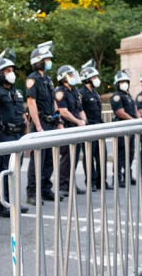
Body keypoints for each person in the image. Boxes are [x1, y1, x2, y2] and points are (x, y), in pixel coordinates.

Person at [0, 48, 30, 217]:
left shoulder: (16, 91)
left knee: (14, 171)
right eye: (7, 71)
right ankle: (1, 204)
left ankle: (12, 202)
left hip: (18, 135)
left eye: (12, 70)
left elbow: (23, 115)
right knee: (2, 171)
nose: (11, 73)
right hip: (4, 135)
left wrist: (27, 135)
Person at [26, 41, 64, 205]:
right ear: (38, 60)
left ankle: (45, 189)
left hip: (50, 122)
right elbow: (31, 103)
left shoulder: (48, 79)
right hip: (40, 122)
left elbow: (53, 101)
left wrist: (59, 119)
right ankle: (32, 192)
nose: (49, 62)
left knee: (49, 158)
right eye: (47, 59)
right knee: (38, 160)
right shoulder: (32, 79)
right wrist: (39, 126)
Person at [79, 60, 113, 190]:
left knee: (101, 156)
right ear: (87, 79)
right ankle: (91, 182)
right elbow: (80, 110)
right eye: (94, 77)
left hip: (99, 127)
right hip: (89, 128)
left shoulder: (95, 93)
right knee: (89, 156)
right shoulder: (81, 93)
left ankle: (101, 181)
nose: (97, 80)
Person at [55, 65, 88, 197]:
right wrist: (78, 121)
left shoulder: (74, 91)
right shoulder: (60, 92)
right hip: (67, 127)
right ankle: (63, 186)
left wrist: (84, 122)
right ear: (64, 77)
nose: (74, 77)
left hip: (76, 127)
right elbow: (63, 111)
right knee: (67, 157)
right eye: (71, 75)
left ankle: (70, 184)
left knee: (74, 157)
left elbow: (80, 109)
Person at [110, 70, 140, 187]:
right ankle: (117, 178)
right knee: (120, 154)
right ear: (117, 83)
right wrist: (133, 120)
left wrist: (138, 120)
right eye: (122, 82)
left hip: (131, 127)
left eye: (126, 81)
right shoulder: (116, 96)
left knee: (130, 153)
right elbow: (120, 112)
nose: (124, 84)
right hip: (122, 127)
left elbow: (135, 110)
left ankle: (128, 175)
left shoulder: (129, 95)